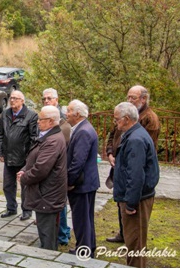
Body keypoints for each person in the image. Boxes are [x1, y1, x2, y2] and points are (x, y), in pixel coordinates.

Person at [106, 85, 161, 243]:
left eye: (133, 97)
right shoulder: (123, 114)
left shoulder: (149, 119)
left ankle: (129, 236)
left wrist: (132, 202)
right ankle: (124, 233)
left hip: (133, 167)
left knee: (132, 212)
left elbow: (139, 158)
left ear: (143, 99)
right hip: (120, 164)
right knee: (122, 203)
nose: (129, 100)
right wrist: (110, 153)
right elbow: (113, 135)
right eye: (128, 96)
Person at [112, 102, 159, 268]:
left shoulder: (136, 139)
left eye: (116, 119)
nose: (115, 122)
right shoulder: (134, 133)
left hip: (137, 199)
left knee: (135, 243)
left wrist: (131, 203)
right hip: (135, 196)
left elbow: (136, 174)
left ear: (125, 119)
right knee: (134, 241)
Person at [17, 106, 67, 250]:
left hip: (47, 194)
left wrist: (24, 177)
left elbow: (41, 169)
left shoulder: (53, 140)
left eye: (41, 119)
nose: (38, 122)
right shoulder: (49, 136)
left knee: (47, 236)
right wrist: (24, 170)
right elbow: (35, 158)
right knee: (45, 232)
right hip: (45, 193)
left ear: (51, 121)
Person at [65, 99, 99, 257]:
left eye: (69, 110)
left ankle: (84, 250)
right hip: (87, 182)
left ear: (77, 114)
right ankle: (88, 247)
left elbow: (78, 161)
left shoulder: (83, 131)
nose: (67, 113)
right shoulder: (83, 128)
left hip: (82, 184)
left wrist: (69, 182)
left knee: (81, 219)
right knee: (86, 217)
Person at [0, 90, 37, 221]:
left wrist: (30, 157)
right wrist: (1, 152)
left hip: (23, 158)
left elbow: (34, 138)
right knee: (8, 185)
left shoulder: (31, 116)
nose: (12, 100)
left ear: (22, 101)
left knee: (25, 186)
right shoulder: (5, 114)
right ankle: (11, 208)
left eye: (15, 98)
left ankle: (27, 210)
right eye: (11, 98)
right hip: (8, 156)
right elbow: (0, 135)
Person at [42, 88, 71, 246]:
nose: (46, 100)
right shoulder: (45, 117)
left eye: (49, 98)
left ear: (57, 100)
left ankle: (62, 234)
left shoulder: (62, 122)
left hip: (58, 170)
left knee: (59, 204)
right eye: (44, 98)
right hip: (49, 169)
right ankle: (60, 230)